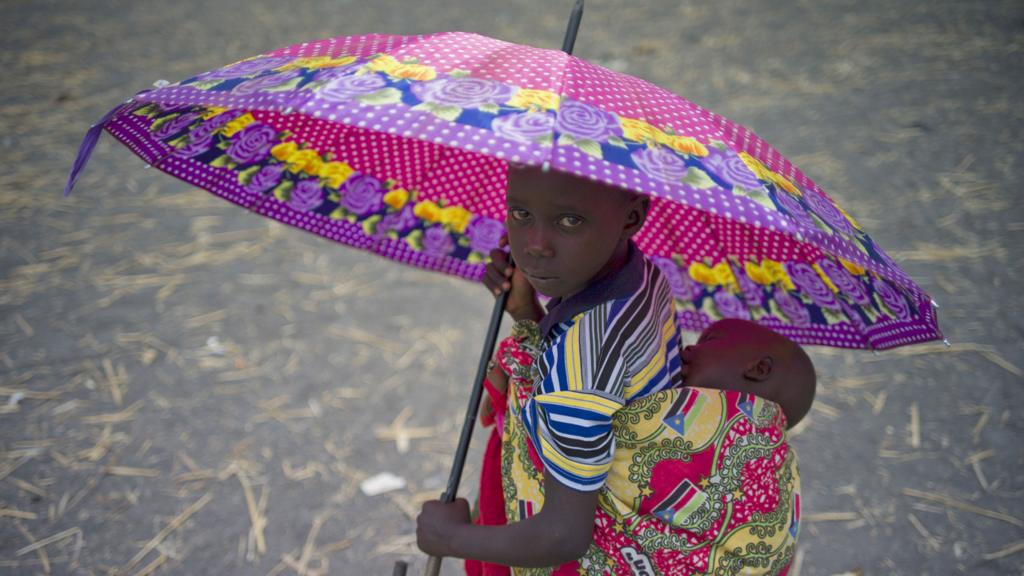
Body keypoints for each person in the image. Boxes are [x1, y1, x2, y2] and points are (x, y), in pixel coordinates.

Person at [417, 165, 813, 574]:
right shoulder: (647, 280)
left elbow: (563, 535)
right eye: (520, 213)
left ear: (632, 217)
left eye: (570, 220)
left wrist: (448, 537)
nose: (535, 245)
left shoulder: (582, 365)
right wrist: (528, 314)